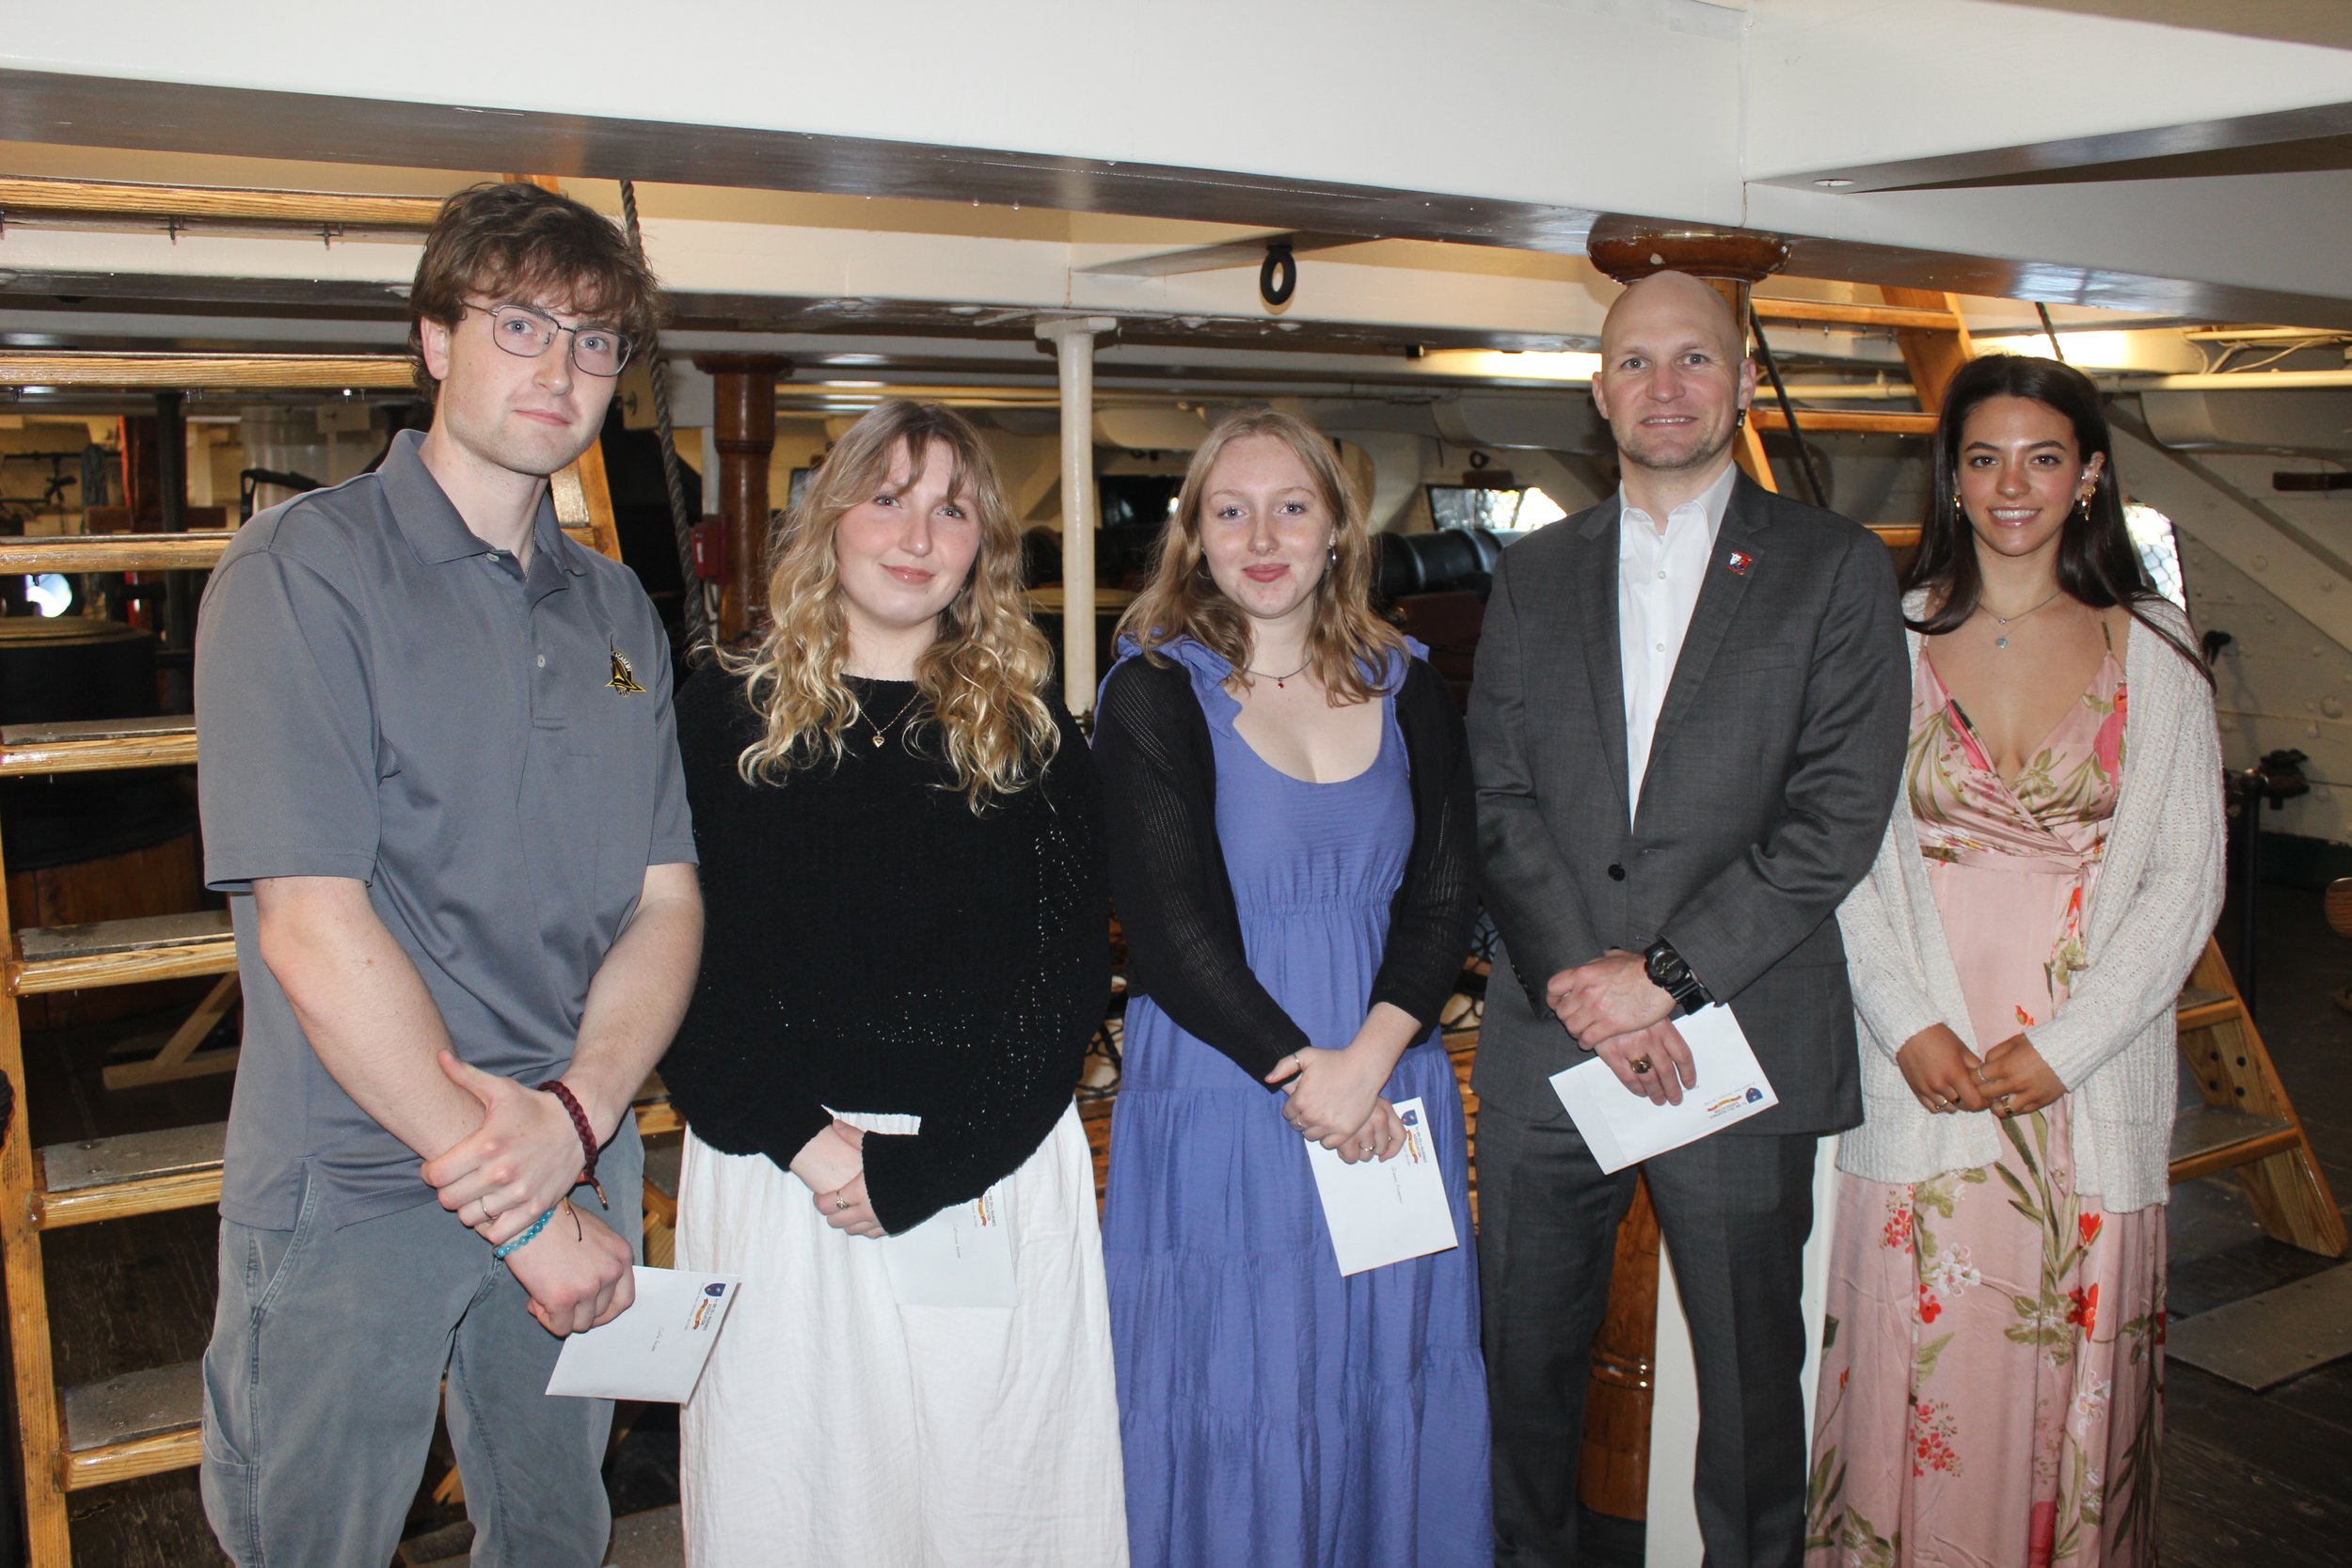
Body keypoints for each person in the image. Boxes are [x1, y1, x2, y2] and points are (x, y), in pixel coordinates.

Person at [194, 181, 703, 1566]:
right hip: (358, 1183)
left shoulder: (611, 609)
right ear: (434, 337)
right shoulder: (305, 572)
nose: (561, 369)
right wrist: (527, 1200)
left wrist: (581, 1117)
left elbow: (667, 901)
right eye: (523, 323)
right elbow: (308, 925)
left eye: (596, 343)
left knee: (550, 1534)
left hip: (572, 1150)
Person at [1468, 268, 1911, 1566]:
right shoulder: (1534, 571)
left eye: (1697, 360)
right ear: (1599, 387)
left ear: (1745, 380)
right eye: (1638, 362)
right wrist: (1585, 986)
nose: (1667, 387)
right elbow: (1497, 797)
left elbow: (1838, 813)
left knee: (1749, 1395)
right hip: (1552, 1046)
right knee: (1524, 1373)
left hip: (1740, 1036)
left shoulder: (1833, 569)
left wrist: (1663, 975)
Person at [660, 399, 1125, 1566]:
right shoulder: (721, 715)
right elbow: (678, 968)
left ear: (983, 552)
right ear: (830, 519)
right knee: (795, 1504)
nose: (918, 532)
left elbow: (1063, 987)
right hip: (780, 1172)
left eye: (952, 509)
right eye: (889, 497)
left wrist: (932, 1163)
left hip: (985, 1176)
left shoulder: (1033, 739)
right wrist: (817, 1145)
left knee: (991, 1505)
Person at [1805, 355, 2223, 1567]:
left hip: (2082, 1082)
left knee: (2062, 1403)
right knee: (1921, 1373)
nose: (2010, 485)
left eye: (2042, 457)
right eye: (1983, 458)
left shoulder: (2154, 647)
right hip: (1924, 1069)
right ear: (1951, 473)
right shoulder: (1882, 635)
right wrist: (1905, 1023)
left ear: (2088, 474)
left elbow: (2185, 877)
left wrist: (2066, 1044)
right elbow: (1847, 859)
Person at [1095, 407, 1490, 1568]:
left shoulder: (1407, 679)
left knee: (1379, 1374)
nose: (1259, 535)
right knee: (1244, 1377)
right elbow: (1168, 935)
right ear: (1194, 536)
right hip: (1233, 1083)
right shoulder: (1155, 689)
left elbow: (1446, 885)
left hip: (1387, 1073)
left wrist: (1367, 1060)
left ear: (1336, 528)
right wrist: (1305, 1070)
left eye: (1289, 506)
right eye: (1230, 509)